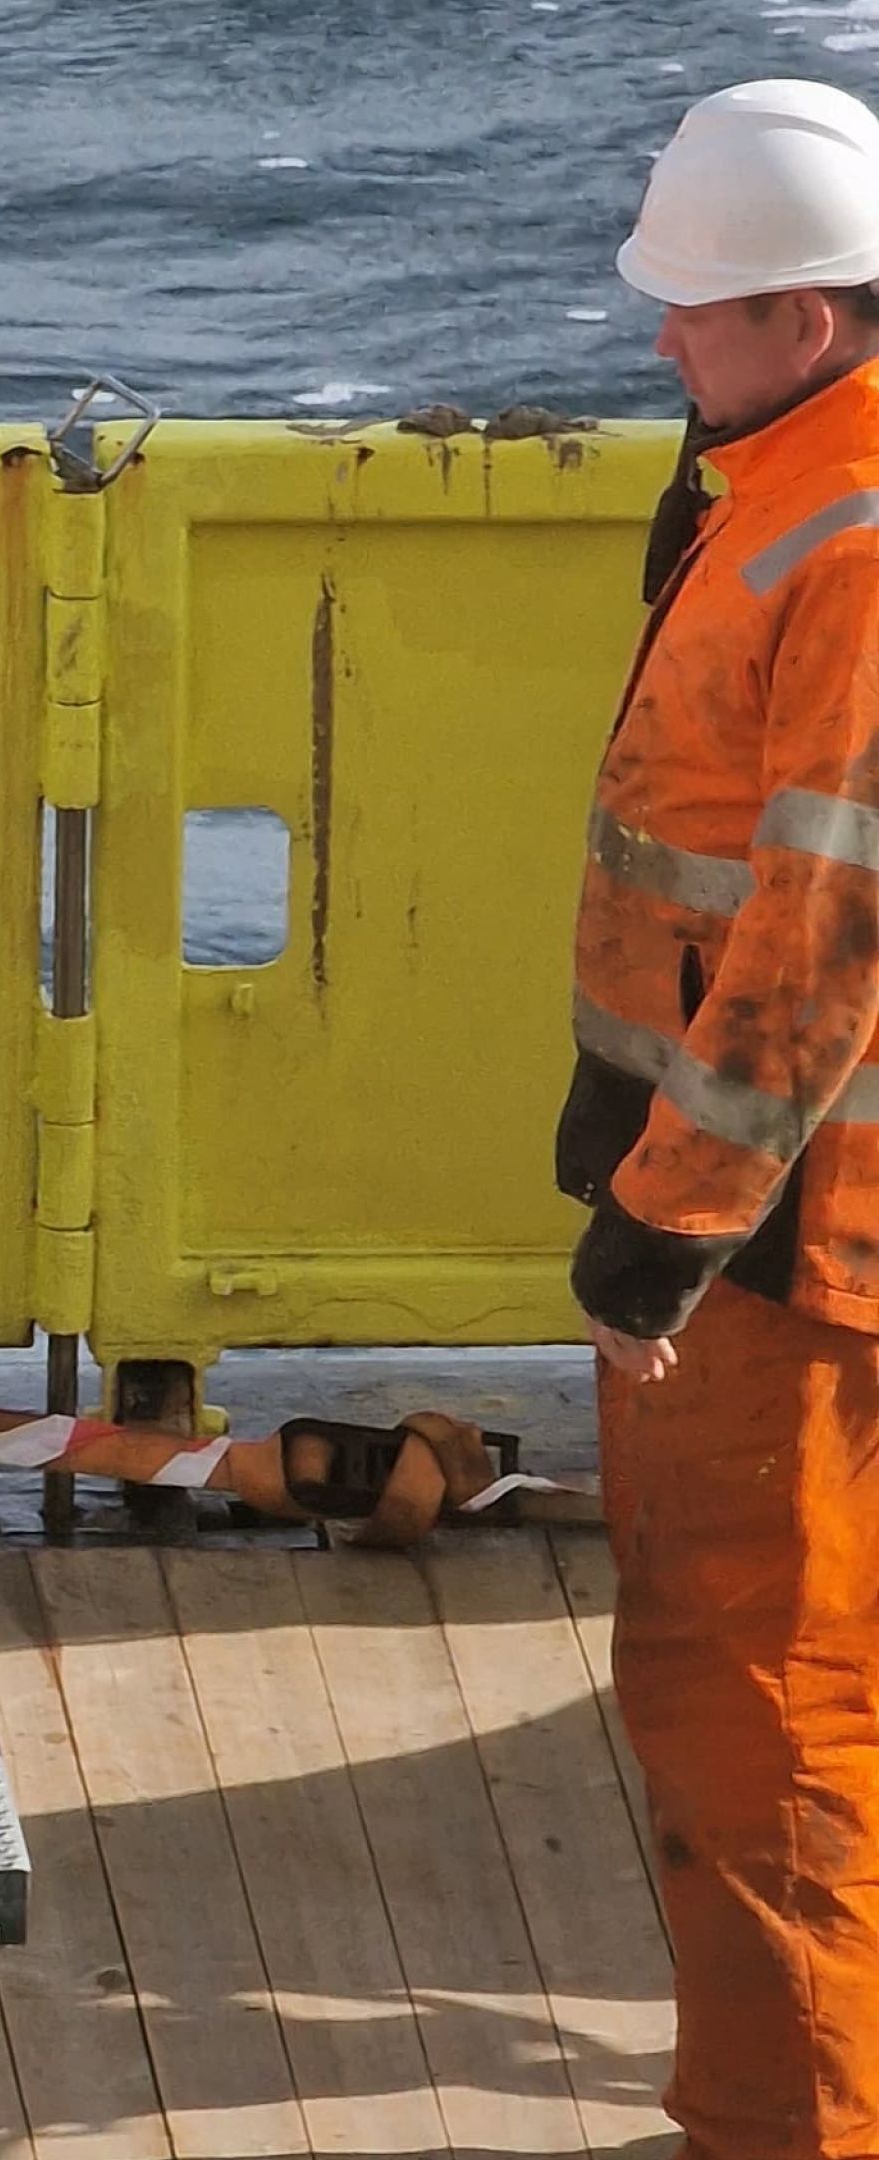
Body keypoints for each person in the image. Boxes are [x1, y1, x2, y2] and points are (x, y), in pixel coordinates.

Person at [561, 78, 879, 2160]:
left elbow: (821, 927)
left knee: (756, 1722)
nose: (663, 340)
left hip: (777, 1244)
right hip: (794, 1213)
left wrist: (667, 1225)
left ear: (816, 319)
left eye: (702, 310)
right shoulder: (789, 475)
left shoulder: (850, 540)